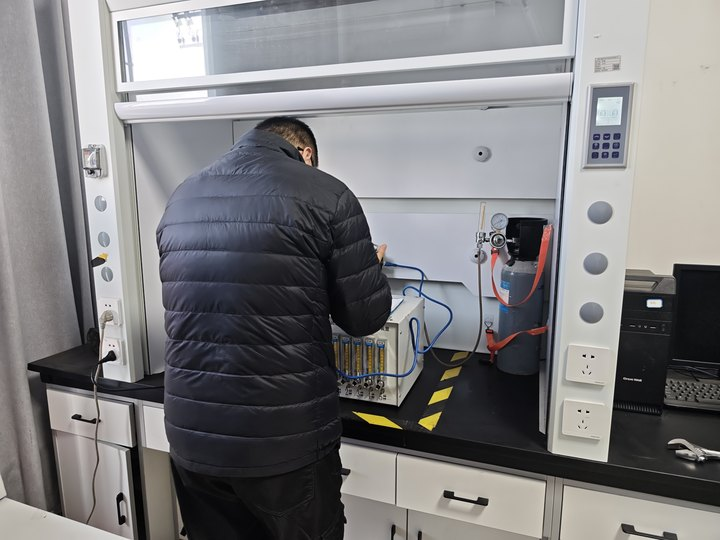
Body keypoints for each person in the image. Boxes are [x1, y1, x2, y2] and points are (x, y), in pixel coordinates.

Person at [156, 116, 391, 540]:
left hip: (193, 438)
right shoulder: (327, 194)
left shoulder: (182, 195)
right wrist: (368, 269)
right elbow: (365, 319)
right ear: (306, 153)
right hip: (283, 443)